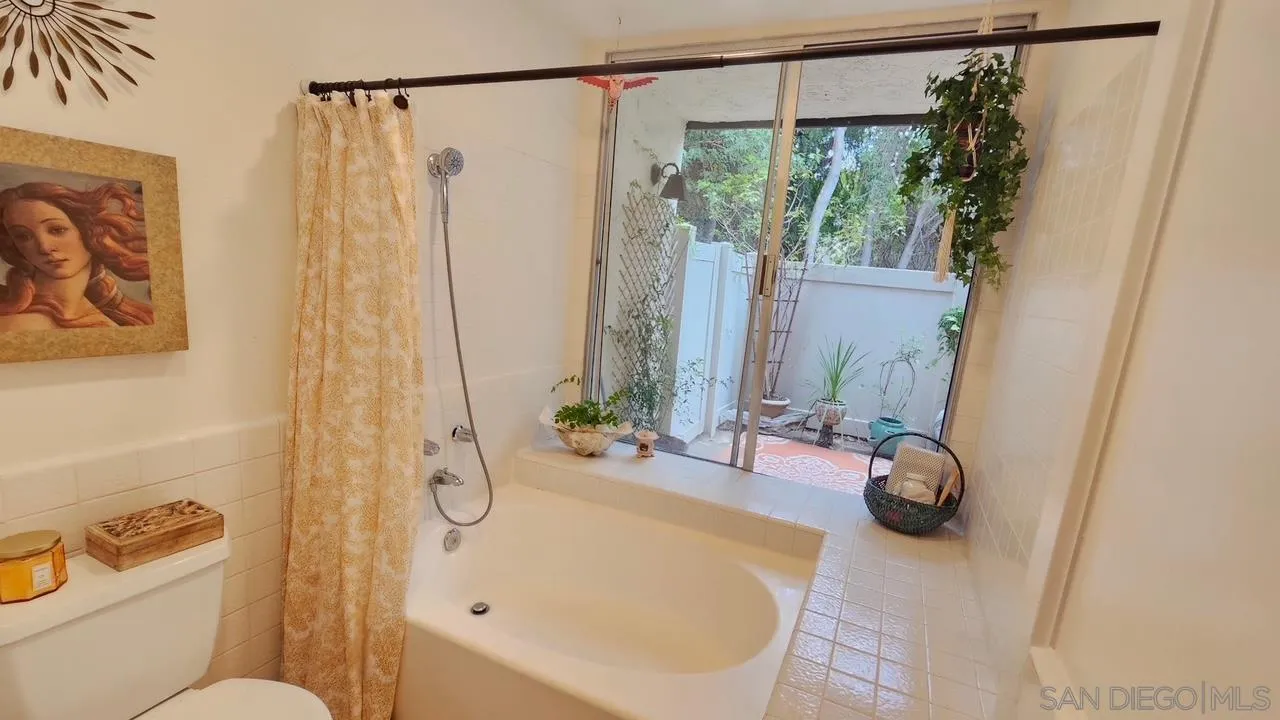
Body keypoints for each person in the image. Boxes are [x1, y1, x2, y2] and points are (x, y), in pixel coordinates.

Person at [0, 181, 153, 330]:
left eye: (57, 230)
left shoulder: (107, 316)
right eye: (22, 236)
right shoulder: (20, 324)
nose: (45, 247)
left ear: (89, 231)